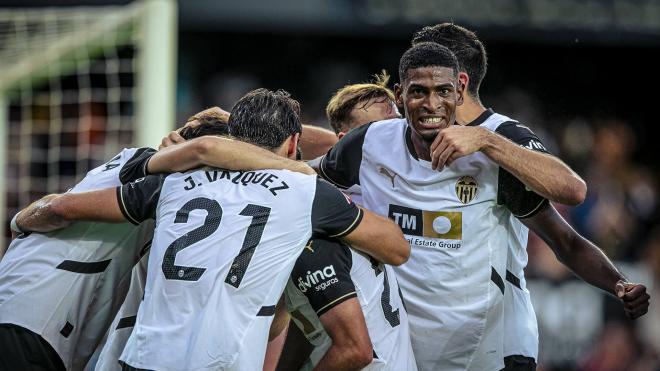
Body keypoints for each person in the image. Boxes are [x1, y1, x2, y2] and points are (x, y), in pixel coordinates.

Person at [14, 88, 410, 371]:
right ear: (293, 144)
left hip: (147, 356)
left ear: (233, 139)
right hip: (224, 360)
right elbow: (395, 247)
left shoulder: (172, 181)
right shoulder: (307, 191)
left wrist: (20, 222)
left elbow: (62, 207)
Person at [412, 23, 650, 370]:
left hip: (497, 342)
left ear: (457, 82)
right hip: (428, 343)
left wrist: (487, 142)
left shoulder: (503, 137)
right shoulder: (401, 140)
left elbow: (571, 198)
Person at [310, 41, 542, 370]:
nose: (431, 104)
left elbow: (572, 193)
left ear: (459, 89)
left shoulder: (493, 146)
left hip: (483, 341)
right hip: (400, 346)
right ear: (401, 95)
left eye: (442, 91)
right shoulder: (367, 148)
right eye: (418, 92)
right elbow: (302, 173)